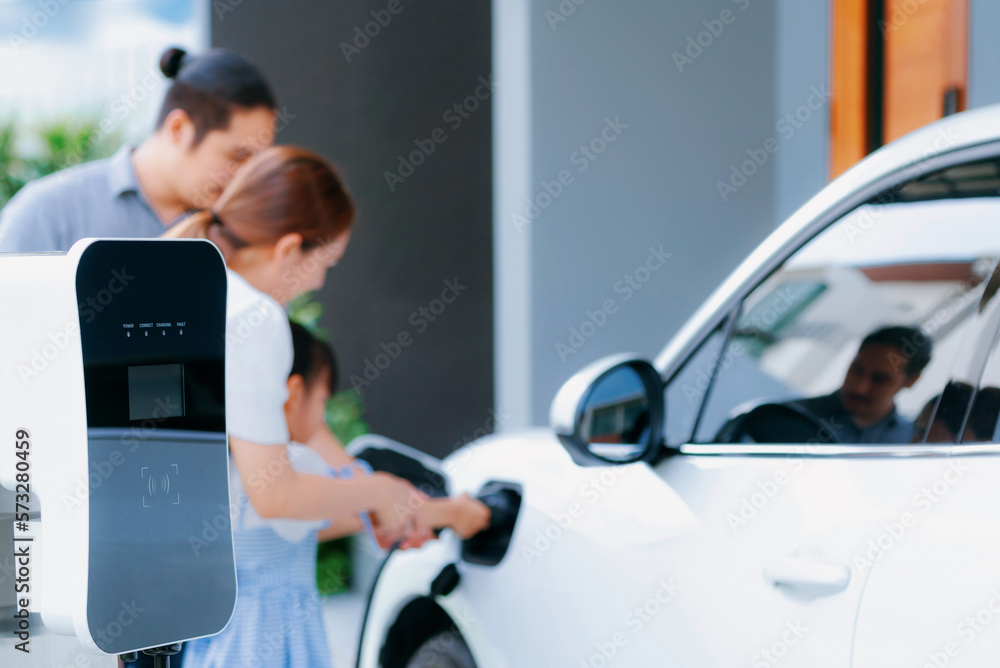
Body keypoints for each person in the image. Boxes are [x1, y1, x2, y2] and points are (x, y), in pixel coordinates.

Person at [182, 321, 490, 668]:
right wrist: (459, 513)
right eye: (323, 402)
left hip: (221, 644)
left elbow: (329, 521)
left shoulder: (225, 468)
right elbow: (370, 507)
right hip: (272, 643)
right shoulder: (294, 469)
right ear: (294, 393)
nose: (319, 423)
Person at [0, 46, 277, 252]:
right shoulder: (49, 213)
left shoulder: (238, 230)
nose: (246, 175)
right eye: (238, 156)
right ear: (179, 128)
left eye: (256, 162)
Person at [788, 325, 933, 443]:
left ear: (912, 381)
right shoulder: (788, 417)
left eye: (879, 379)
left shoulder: (910, 443)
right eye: (857, 370)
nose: (859, 388)